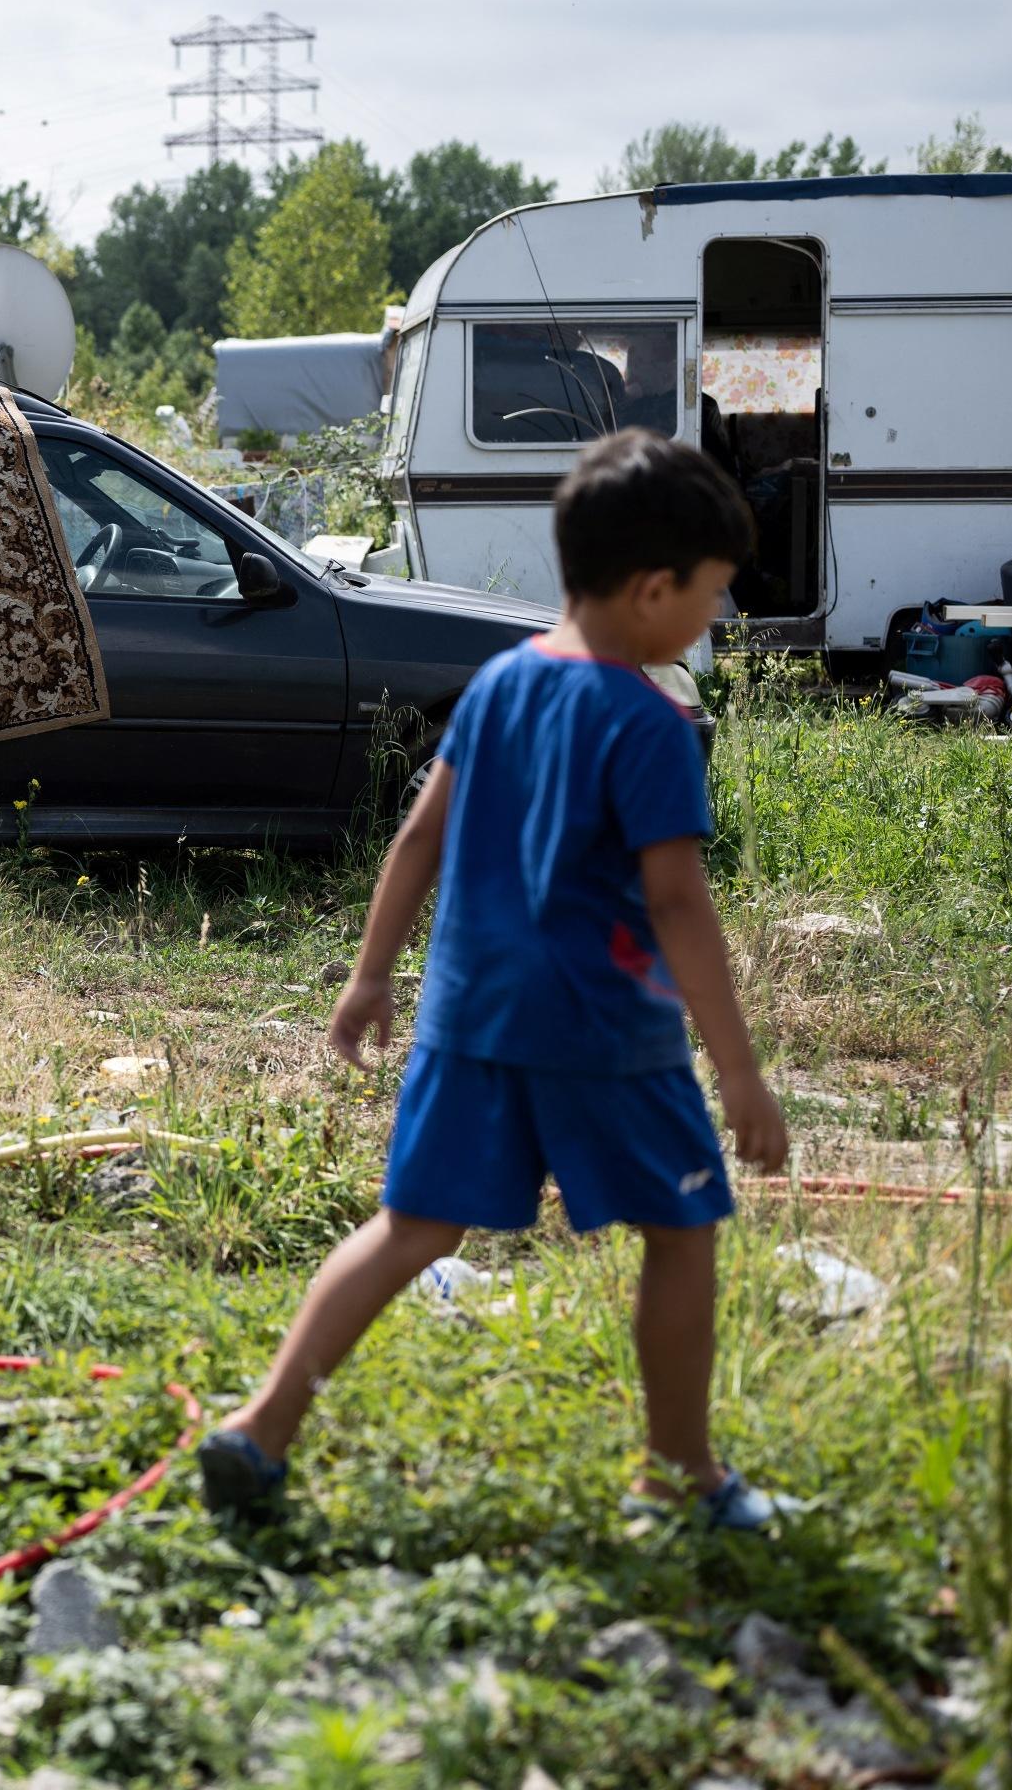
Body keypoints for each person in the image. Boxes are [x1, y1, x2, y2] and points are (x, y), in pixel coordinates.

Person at [197, 429, 788, 1529]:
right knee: (683, 1228)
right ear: (655, 589)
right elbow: (677, 903)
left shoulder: (499, 684)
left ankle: (261, 1424)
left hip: (467, 1019)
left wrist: (373, 975)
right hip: (608, 1036)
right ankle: (682, 1472)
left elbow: (417, 838)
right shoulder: (652, 722)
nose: (715, 616)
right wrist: (741, 1069)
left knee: (412, 1226)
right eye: (712, 595)